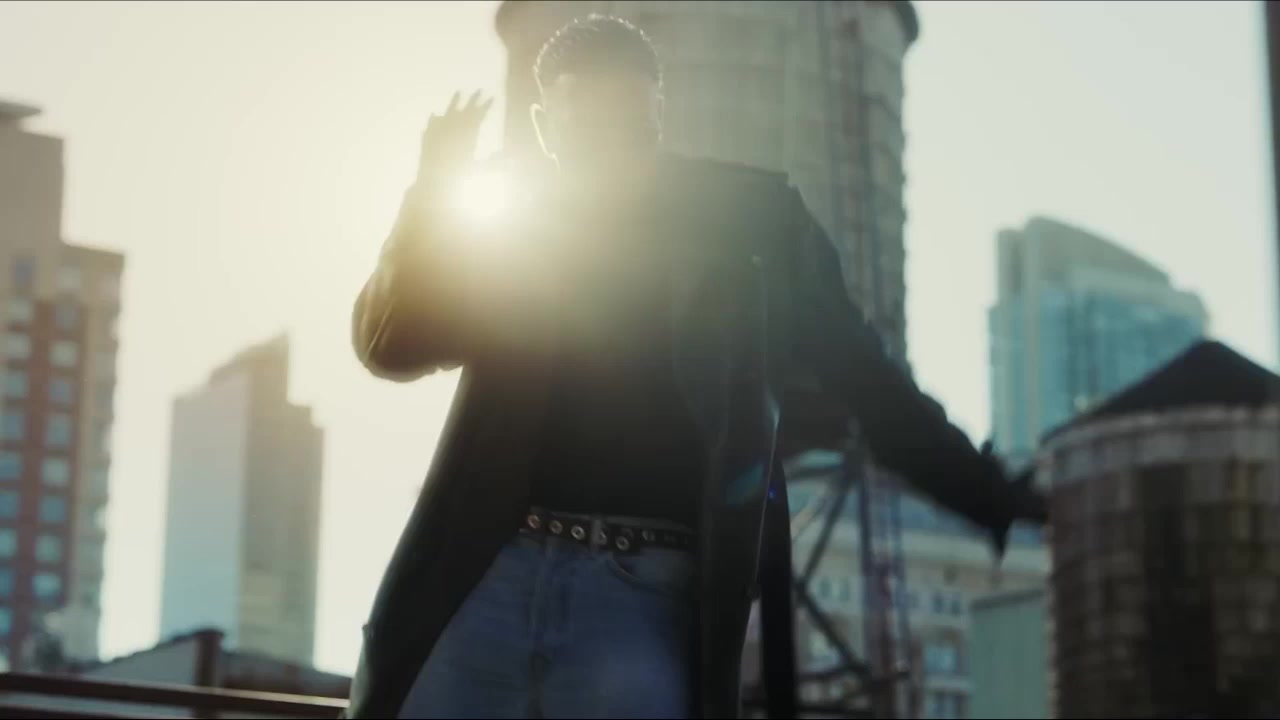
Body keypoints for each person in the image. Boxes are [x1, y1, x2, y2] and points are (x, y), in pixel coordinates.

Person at [346, 14, 1046, 720]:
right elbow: (392, 344)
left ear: (658, 112)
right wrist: (429, 198)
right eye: (585, 122)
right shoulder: (518, 226)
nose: (608, 143)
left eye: (627, 121)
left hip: (641, 595)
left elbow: (866, 375)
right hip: (488, 577)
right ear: (544, 124)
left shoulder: (751, 223)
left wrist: (987, 491)